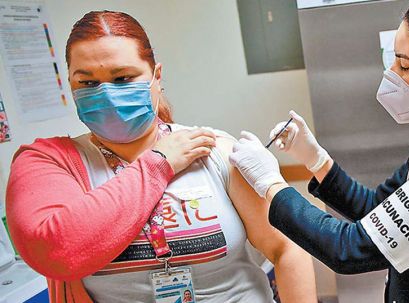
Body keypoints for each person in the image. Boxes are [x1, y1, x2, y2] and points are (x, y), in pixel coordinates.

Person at [6, 11, 316, 303]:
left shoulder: (211, 149)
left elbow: (286, 249)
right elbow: (55, 249)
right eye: (87, 82)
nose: (106, 93)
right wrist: (158, 163)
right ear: (70, 84)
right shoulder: (51, 162)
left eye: (123, 78)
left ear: (156, 75)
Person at [229, 0, 409, 302]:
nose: (391, 73)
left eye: (404, 65)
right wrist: (316, 160)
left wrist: (270, 184)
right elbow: (376, 208)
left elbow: (348, 249)